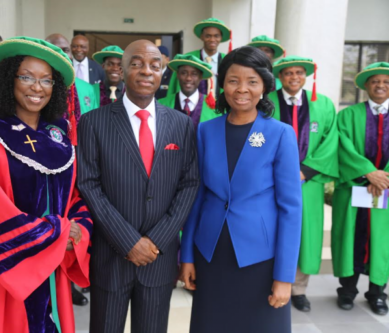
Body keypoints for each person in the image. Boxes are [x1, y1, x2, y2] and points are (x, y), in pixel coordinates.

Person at [0, 36, 92, 333]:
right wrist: (55, 231)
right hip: (5, 262)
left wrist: (79, 226)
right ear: (8, 79)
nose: (37, 87)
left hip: (52, 260)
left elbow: (73, 195)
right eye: (27, 77)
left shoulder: (59, 135)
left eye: (46, 81)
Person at [78, 40, 199, 333]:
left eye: (154, 66)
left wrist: (156, 240)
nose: (146, 71)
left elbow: (189, 183)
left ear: (162, 73)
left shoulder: (181, 124)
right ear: (121, 69)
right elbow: (88, 184)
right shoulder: (93, 122)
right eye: (137, 64)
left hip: (159, 258)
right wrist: (129, 241)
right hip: (112, 256)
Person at [179, 46, 302, 333]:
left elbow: (290, 210)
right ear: (222, 85)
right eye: (233, 80)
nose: (241, 89)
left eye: (252, 81)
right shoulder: (206, 130)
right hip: (211, 253)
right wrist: (186, 255)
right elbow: (196, 196)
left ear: (265, 87)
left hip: (260, 256)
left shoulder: (280, 134)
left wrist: (284, 277)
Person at [268, 56, 339, 312]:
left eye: (299, 72)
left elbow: (331, 141)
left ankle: (298, 289)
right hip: (271, 182)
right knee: (271, 231)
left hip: (308, 183)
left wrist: (304, 171)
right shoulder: (267, 102)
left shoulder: (323, 105)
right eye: (288, 73)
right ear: (281, 76)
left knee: (304, 234)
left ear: (306, 75)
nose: (294, 77)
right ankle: (269, 281)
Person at [332, 62, 389, 316]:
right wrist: (368, 172)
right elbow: (342, 145)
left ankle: (377, 293)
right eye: (375, 81)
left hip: (386, 192)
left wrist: (382, 180)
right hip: (354, 189)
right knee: (350, 239)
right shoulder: (348, 115)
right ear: (366, 85)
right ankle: (347, 290)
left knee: (382, 242)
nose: (381, 86)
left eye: (386, 81)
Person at [167, 17, 232, 104]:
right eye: (208, 36)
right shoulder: (188, 58)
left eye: (216, 36)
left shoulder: (228, 61)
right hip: (192, 108)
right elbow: (176, 85)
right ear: (202, 37)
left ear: (221, 37)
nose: (212, 39)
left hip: (220, 108)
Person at [158, 54, 219, 132]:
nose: (188, 78)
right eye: (184, 73)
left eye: (194, 74)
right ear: (177, 75)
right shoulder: (161, 105)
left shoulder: (214, 108)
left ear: (201, 77)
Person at [46, 33, 98, 121]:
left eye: (65, 50)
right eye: (55, 50)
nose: (61, 55)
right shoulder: (37, 87)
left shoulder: (88, 88)